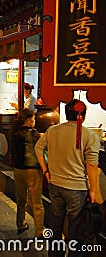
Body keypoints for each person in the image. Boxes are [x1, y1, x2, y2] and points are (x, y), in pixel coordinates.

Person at [35, 99, 100, 256]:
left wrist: (46, 171)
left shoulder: (52, 131)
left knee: (55, 225)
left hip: (55, 185)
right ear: (82, 116)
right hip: (77, 189)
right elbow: (91, 165)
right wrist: (93, 191)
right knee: (75, 228)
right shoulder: (90, 135)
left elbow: (38, 148)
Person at [10, 108, 44, 237]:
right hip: (32, 171)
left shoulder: (14, 133)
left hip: (18, 171)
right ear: (28, 120)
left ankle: (20, 224)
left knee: (21, 200)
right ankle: (39, 231)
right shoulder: (33, 134)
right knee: (37, 203)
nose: (34, 121)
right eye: (33, 119)